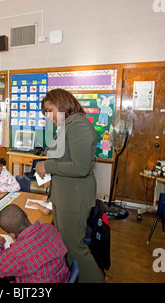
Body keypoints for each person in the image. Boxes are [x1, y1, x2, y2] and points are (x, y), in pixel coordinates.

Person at [34, 88, 104, 283]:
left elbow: (80, 167)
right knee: (66, 244)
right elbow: (66, 163)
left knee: (74, 247)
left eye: (50, 110)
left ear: (63, 104)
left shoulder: (78, 126)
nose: (49, 117)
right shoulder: (68, 126)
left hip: (74, 199)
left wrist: (47, 165)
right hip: (65, 196)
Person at [0, 204, 70, 283]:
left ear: (11, 235)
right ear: (26, 214)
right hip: (63, 278)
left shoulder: (17, 254)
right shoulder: (50, 228)